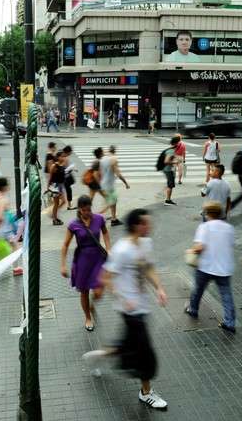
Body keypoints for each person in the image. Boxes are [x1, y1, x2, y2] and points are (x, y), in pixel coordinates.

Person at [82, 208, 168, 410]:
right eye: (146, 223)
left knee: (128, 345)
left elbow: (148, 267)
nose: (150, 226)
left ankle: (98, 357)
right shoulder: (122, 250)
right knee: (145, 353)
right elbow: (104, 278)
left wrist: (159, 288)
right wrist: (122, 297)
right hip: (129, 309)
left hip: (143, 306)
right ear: (137, 226)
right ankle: (146, 392)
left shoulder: (145, 243)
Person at [60, 195, 112, 331]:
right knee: (84, 292)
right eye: (84, 210)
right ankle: (88, 317)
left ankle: (92, 304)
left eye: (89, 210)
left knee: (99, 291)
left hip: (98, 258)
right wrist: (63, 265)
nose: (87, 213)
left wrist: (109, 248)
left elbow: (105, 234)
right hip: (82, 259)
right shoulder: (74, 225)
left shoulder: (99, 219)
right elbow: (65, 244)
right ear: (79, 210)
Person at [185, 201, 236, 333]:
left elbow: (200, 247)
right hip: (224, 268)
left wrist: (191, 251)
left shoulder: (204, 227)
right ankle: (230, 322)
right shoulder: (228, 228)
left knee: (198, 289)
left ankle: (193, 309)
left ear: (207, 213)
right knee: (226, 295)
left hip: (206, 266)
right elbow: (231, 245)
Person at [99, 145, 130, 225]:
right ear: (115, 151)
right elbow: (118, 173)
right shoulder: (114, 159)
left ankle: (112, 218)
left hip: (103, 183)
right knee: (112, 201)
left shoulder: (103, 158)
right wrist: (125, 183)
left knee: (111, 200)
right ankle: (108, 218)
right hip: (109, 184)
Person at [48, 151, 67, 226]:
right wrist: (48, 188)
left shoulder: (62, 165)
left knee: (59, 202)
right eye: (61, 156)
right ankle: (54, 217)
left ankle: (54, 216)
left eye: (64, 156)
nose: (63, 158)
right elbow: (50, 177)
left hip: (60, 186)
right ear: (58, 157)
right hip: (55, 186)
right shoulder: (54, 166)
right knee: (58, 203)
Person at [161, 136, 180, 206]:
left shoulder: (170, 149)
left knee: (170, 184)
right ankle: (167, 200)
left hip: (166, 169)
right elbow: (166, 161)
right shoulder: (171, 151)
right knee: (170, 185)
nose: (178, 144)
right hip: (168, 170)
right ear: (175, 143)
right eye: (178, 143)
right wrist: (175, 162)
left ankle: (168, 199)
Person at [62, 146, 76, 210]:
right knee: (68, 190)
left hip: (62, 176)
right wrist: (71, 168)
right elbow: (64, 169)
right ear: (68, 152)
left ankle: (68, 204)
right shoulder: (65, 158)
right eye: (70, 152)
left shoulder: (61, 154)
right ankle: (69, 205)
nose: (71, 153)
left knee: (65, 189)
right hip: (64, 177)